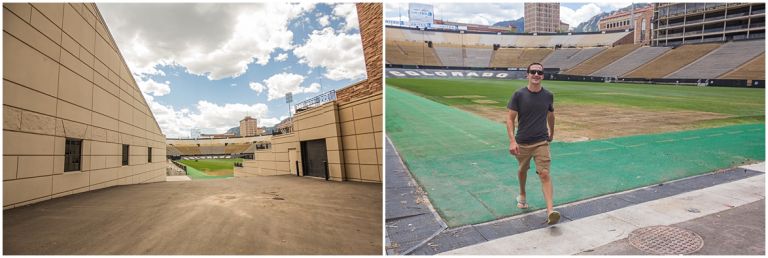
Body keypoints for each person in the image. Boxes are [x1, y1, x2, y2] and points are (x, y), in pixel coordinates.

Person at [506, 62, 559, 225]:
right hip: (522, 142)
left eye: (539, 72)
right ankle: (522, 194)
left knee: (544, 173)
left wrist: (552, 132)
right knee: (523, 170)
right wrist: (512, 141)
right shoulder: (518, 95)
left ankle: (550, 211)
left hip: (541, 142)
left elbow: (551, 115)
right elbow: (510, 118)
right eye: (533, 72)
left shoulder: (548, 95)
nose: (536, 75)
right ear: (527, 74)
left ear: (543, 76)